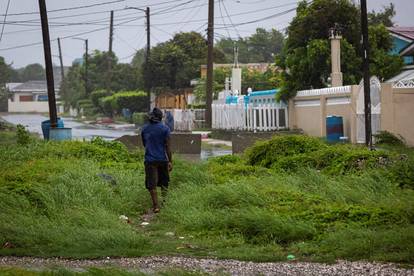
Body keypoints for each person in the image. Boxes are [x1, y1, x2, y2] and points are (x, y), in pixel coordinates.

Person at [141, 107, 172, 213]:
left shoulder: (145, 129)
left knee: (152, 184)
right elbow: (167, 146)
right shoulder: (165, 129)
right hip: (162, 159)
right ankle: (164, 203)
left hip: (150, 160)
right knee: (164, 183)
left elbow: (145, 144)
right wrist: (170, 161)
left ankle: (156, 206)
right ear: (160, 118)